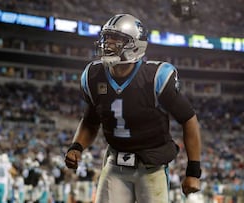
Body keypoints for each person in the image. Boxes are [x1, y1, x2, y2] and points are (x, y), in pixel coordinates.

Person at [64, 14, 202, 203]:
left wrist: (193, 170)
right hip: (115, 163)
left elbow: (189, 119)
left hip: (151, 166)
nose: (108, 43)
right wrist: (77, 146)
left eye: (117, 39)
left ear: (136, 45)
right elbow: (90, 121)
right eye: (107, 37)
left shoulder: (155, 78)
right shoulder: (93, 75)